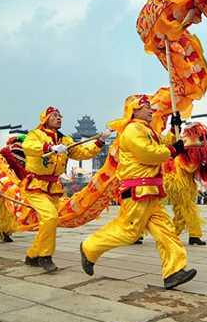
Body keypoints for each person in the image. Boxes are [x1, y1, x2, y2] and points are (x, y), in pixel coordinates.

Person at [79, 94, 197, 290]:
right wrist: (174, 149)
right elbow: (149, 154)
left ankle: (174, 271)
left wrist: (176, 129)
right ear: (134, 110)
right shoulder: (132, 130)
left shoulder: (146, 130)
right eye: (146, 107)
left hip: (150, 190)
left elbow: (162, 144)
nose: (151, 109)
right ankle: (89, 248)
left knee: (166, 230)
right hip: (137, 190)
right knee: (129, 232)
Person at [21, 107, 108, 272]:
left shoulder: (65, 140)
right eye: (54, 115)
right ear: (45, 118)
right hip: (36, 186)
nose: (59, 118)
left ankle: (32, 255)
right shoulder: (36, 134)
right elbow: (28, 146)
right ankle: (45, 257)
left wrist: (100, 142)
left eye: (60, 115)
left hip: (54, 187)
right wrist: (49, 148)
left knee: (50, 222)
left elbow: (81, 153)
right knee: (50, 217)